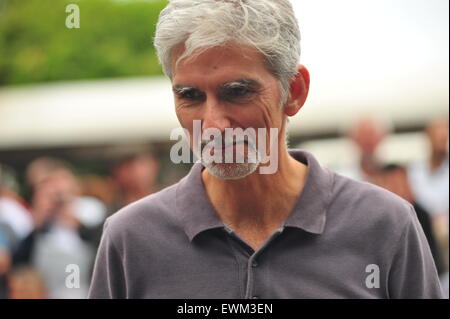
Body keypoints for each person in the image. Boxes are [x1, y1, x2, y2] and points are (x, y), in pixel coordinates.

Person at [89, 0, 442, 299]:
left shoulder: (384, 223)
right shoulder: (131, 238)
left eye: (237, 92)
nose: (212, 124)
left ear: (295, 91)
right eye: (190, 96)